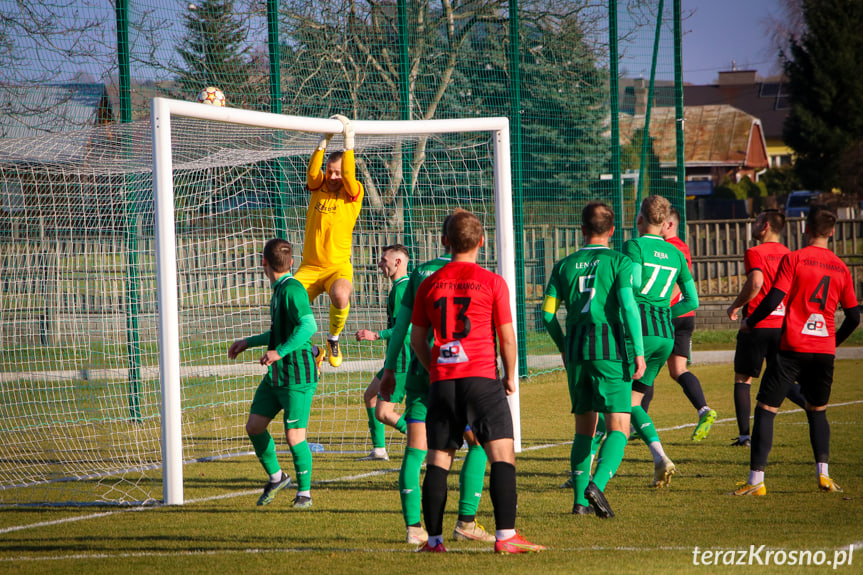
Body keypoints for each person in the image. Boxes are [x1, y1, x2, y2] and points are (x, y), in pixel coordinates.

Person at [410, 209, 545, 554]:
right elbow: (508, 338)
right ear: (482, 242)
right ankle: (505, 537)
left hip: (443, 383)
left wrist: (434, 372)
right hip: (482, 379)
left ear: (444, 242)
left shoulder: (428, 283)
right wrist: (510, 376)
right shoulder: (492, 282)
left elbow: (417, 340)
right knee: (501, 454)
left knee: (439, 459)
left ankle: (435, 541)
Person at [380, 213, 494, 546]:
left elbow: (402, 328)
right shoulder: (480, 275)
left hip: (421, 371)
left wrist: (389, 370)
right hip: (460, 374)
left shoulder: (420, 274)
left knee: (416, 452)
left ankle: (415, 529)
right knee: (479, 445)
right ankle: (466, 522)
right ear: (476, 240)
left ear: (443, 239)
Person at [734, 205, 859, 496]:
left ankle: (756, 482)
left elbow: (774, 297)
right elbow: (854, 317)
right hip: (823, 350)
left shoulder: (795, 259)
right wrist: (832, 342)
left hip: (793, 347)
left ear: (806, 229)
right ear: (831, 232)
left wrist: (750, 322)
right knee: (817, 410)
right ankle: (824, 475)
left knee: (766, 408)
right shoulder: (841, 267)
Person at [542, 201, 646, 517]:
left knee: (583, 429)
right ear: (612, 230)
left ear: (583, 230)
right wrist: (639, 352)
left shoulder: (563, 265)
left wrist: (562, 345)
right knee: (620, 427)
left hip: (575, 352)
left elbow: (546, 314)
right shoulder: (620, 262)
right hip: (610, 351)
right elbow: (628, 306)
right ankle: (596, 484)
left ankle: (579, 503)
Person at [227, 239, 324, 509]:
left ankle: (304, 493)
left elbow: (309, 326)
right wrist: (250, 342)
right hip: (278, 374)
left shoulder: (293, 290)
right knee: (254, 426)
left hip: (298, 375)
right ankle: (277, 476)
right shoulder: (281, 289)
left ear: (264, 263)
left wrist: (278, 352)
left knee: (295, 437)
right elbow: (282, 332)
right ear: (291, 262)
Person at [622, 196, 698, 488]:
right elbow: (693, 300)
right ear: (666, 223)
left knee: (611, 401)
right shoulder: (676, 253)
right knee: (633, 402)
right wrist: (665, 310)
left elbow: (636, 285)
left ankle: (582, 472)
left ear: (639, 219)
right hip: (665, 335)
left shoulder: (634, 246)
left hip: (638, 331)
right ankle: (658, 458)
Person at [726, 210, 806, 447]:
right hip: (784, 325)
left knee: (743, 378)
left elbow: (756, 282)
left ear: (766, 225)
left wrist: (735, 306)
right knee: (782, 378)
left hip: (758, 323)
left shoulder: (755, 252)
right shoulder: (792, 255)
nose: (754, 223)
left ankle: (744, 437)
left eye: (757, 220)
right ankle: (814, 407)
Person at [295, 114, 363, 368]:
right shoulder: (318, 186)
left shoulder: (353, 193)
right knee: (286, 305)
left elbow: (348, 173)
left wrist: (349, 141)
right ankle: (312, 350)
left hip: (337, 268)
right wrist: (324, 139)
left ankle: (333, 339)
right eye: (331, 171)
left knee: (341, 295)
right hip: (310, 267)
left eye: (338, 173)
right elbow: (313, 171)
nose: (334, 177)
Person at [660, 207, 717, 441]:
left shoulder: (671, 248)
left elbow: (675, 281)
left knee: (647, 366)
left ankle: (634, 421)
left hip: (671, 312)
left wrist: (662, 304)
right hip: (686, 314)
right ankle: (704, 410)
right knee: (678, 370)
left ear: (670, 224)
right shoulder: (682, 246)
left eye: (660, 222)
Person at [355, 244, 411, 461]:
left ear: (397, 262)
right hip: (397, 358)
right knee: (370, 395)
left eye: (383, 260)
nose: (379, 264)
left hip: (403, 359)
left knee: (384, 413)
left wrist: (376, 335)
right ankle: (379, 450)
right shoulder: (401, 287)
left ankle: (424, 438)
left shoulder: (401, 290)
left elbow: (404, 327)